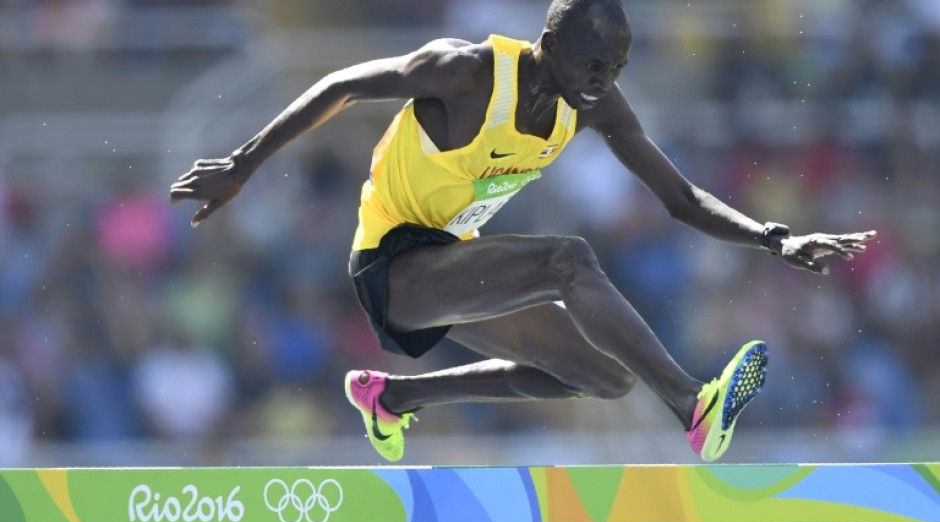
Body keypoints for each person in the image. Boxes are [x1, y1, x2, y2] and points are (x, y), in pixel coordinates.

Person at [169, 0, 876, 463]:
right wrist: (240, 165)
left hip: (452, 263)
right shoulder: (467, 71)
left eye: (618, 67)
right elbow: (342, 86)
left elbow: (681, 198)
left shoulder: (590, 104)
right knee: (568, 260)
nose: (603, 81)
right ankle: (694, 402)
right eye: (594, 64)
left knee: (601, 376)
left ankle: (393, 397)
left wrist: (772, 237)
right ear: (547, 45)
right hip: (390, 264)